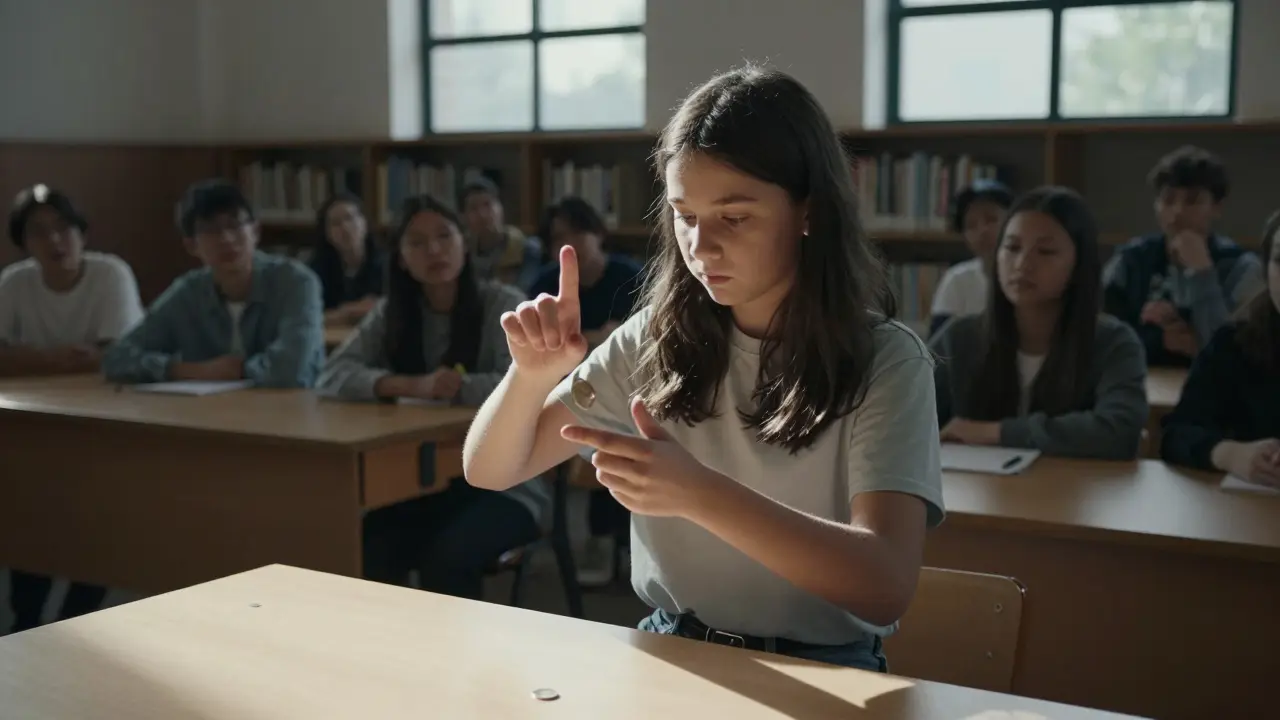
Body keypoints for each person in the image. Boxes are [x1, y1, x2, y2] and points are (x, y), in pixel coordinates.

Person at [462, 66, 944, 671]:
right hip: (670, 651)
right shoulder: (654, 338)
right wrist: (529, 377)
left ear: (809, 211)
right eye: (684, 215)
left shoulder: (889, 361)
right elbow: (490, 469)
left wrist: (697, 494)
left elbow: (884, 585)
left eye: (734, 217)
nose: (701, 245)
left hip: (824, 667)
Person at [317, 194, 547, 599]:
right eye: (418, 242)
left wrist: (459, 388)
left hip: (507, 484)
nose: (435, 250)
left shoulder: (503, 304)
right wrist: (408, 385)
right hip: (421, 483)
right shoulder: (393, 312)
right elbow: (333, 373)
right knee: (370, 545)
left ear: (464, 243)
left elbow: (531, 384)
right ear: (402, 258)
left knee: (446, 558)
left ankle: (459, 661)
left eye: (445, 236)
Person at [0, 184, 144, 633]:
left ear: (82, 232)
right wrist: (67, 357)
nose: (55, 241)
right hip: (36, 423)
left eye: (64, 228)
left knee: (95, 524)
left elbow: (113, 357)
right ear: (24, 243)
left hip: (106, 423)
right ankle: (24, 622)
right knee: (30, 519)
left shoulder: (110, 274)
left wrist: (30, 360)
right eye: (39, 232)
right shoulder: (15, 282)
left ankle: (72, 621)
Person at [930, 187, 1148, 460]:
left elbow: (1119, 431)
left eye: (1045, 251)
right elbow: (899, 417)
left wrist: (997, 433)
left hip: (1070, 496)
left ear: (1079, 263)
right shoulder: (960, 337)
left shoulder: (1112, 342)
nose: (1022, 264)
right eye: (1011, 247)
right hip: (976, 496)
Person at [102, 180, 324, 387]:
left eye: (235, 225)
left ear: (255, 232)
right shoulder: (187, 293)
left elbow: (294, 368)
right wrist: (191, 371)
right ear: (191, 246)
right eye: (211, 230)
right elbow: (117, 357)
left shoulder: (295, 282)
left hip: (289, 416)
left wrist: (239, 371)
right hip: (209, 416)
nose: (226, 239)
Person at [529, 196, 644, 587]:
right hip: (567, 385)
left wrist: (591, 340)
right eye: (558, 237)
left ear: (597, 233)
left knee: (619, 430)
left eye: (577, 232)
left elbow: (639, 343)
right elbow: (545, 346)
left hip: (629, 387)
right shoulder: (546, 283)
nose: (569, 243)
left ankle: (618, 542)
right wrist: (601, 336)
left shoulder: (630, 274)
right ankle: (599, 540)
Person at [1103, 145, 1262, 367]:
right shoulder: (1131, 259)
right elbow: (1099, 339)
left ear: (1217, 207)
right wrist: (1161, 341)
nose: (1177, 211)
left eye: (1192, 201)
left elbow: (1233, 356)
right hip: (1144, 384)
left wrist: (1202, 273)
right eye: (1168, 200)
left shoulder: (1242, 268)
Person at [1160, 210, 1280, 487]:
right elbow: (1176, 433)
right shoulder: (1234, 342)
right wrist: (1230, 454)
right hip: (1248, 515)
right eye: (1279, 260)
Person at [929, 180, 1013, 336]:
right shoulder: (958, 280)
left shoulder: (1028, 274)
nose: (982, 231)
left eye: (991, 219)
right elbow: (938, 347)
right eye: (971, 225)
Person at [310, 193, 385, 325]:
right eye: (335, 223)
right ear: (327, 233)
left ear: (364, 224)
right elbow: (309, 315)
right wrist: (349, 312)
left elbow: (383, 308)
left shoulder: (386, 264)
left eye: (350, 218)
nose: (344, 227)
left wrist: (340, 313)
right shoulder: (317, 269)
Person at [459, 177, 541, 291]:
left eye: (487, 205)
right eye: (473, 208)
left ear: (500, 208)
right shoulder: (462, 252)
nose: (482, 214)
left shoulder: (526, 249)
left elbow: (526, 290)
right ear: (464, 217)